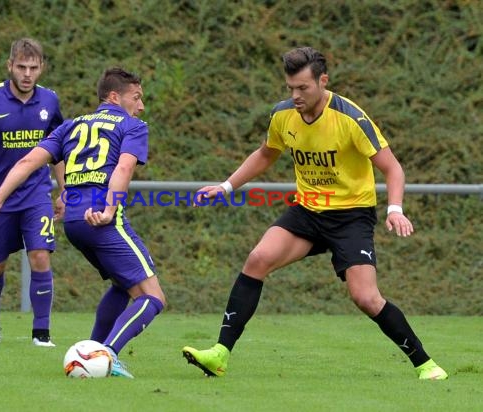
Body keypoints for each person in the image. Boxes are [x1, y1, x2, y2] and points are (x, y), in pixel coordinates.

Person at [182, 47, 448, 380]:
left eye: (303, 88)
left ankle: (425, 364)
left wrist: (395, 208)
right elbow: (266, 154)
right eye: (290, 87)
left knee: (365, 297)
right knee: (258, 258)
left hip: (352, 216)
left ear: (323, 80)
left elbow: (393, 168)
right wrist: (226, 186)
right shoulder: (283, 115)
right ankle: (219, 355)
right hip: (307, 211)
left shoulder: (351, 118)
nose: (295, 95)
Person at [0, 67, 166, 378]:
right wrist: (108, 209)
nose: (141, 106)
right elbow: (124, 169)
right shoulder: (133, 126)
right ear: (114, 97)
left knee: (122, 285)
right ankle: (109, 355)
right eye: (137, 97)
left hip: (74, 221)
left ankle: (91, 353)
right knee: (153, 297)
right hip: (102, 217)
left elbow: (27, 162)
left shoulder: (71, 126)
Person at [0, 38, 64, 347]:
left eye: (33, 67)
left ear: (42, 68)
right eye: (21, 67)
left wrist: (64, 188)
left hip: (36, 195)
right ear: (9, 66)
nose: (27, 74)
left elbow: (57, 148)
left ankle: (41, 334)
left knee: (40, 256)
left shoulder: (50, 101)